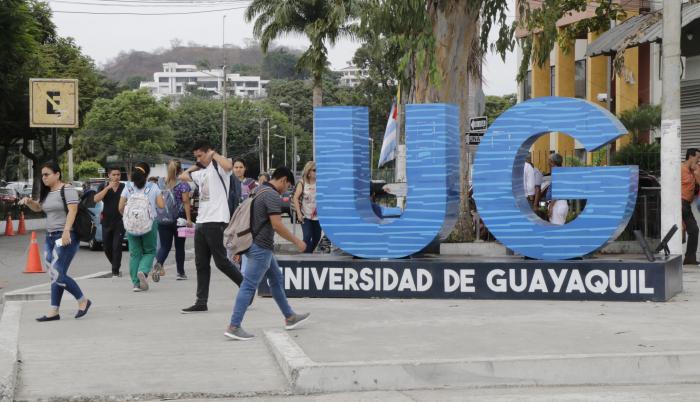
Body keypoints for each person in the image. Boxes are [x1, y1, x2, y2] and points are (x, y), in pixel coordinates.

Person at [225, 167, 310, 340]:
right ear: (284, 180)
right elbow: (277, 224)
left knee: (276, 279)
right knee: (249, 285)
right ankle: (234, 326)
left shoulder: (258, 189)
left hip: (255, 244)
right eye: (288, 186)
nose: (286, 190)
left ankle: (290, 316)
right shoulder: (271, 195)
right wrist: (297, 241)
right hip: (260, 247)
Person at [20, 162, 92, 321]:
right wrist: (30, 202)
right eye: (42, 175)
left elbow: (73, 210)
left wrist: (66, 231)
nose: (44, 177)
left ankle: (83, 301)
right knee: (54, 274)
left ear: (57, 174)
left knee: (57, 272)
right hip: (50, 237)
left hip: (66, 235)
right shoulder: (47, 192)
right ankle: (54, 311)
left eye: (47, 174)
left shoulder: (67, 189)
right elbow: (40, 208)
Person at [179, 140, 244, 313]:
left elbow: (229, 166)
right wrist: (197, 164)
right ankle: (201, 301)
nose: (199, 158)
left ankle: (246, 288)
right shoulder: (203, 171)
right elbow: (183, 176)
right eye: (196, 156)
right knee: (201, 263)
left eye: (200, 155)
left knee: (221, 261)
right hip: (201, 221)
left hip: (216, 220)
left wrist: (213, 155)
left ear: (209, 152)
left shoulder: (219, 169)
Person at [119, 162, 165, 292]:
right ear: (147, 174)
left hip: (132, 225)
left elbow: (120, 207)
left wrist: (127, 217)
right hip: (149, 224)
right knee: (149, 251)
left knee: (134, 254)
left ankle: (136, 284)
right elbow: (161, 206)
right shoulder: (153, 186)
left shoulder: (127, 187)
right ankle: (143, 271)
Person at [153, 159, 193, 280]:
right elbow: (186, 202)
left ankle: (159, 263)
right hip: (179, 219)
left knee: (165, 246)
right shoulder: (183, 184)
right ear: (181, 170)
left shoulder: (160, 182)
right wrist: (189, 220)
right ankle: (180, 273)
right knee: (180, 246)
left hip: (163, 218)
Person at [94, 167, 125, 277]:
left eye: (118, 174)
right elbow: (96, 199)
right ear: (109, 175)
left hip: (120, 221)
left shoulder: (124, 187)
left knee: (117, 246)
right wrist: (107, 188)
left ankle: (115, 271)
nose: (116, 177)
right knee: (106, 247)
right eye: (114, 175)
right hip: (106, 221)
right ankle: (115, 264)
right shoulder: (103, 186)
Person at [293, 161, 321, 253]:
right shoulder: (302, 183)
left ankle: (308, 254)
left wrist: (318, 208)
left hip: (317, 216)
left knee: (317, 237)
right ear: (308, 172)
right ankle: (305, 257)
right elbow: (295, 198)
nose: (317, 172)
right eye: (315, 170)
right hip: (305, 215)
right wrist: (299, 213)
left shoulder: (320, 183)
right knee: (307, 236)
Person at [681, 148, 700, 265]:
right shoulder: (680, 169)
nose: (698, 161)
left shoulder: (694, 170)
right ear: (691, 157)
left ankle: (690, 258)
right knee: (690, 230)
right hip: (680, 203)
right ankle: (688, 258)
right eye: (697, 158)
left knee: (694, 230)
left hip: (687, 204)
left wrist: (696, 173)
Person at [545, 153, 568, 225]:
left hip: (557, 205)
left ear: (552, 162)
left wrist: (551, 206)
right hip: (560, 204)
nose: (547, 163)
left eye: (549, 160)